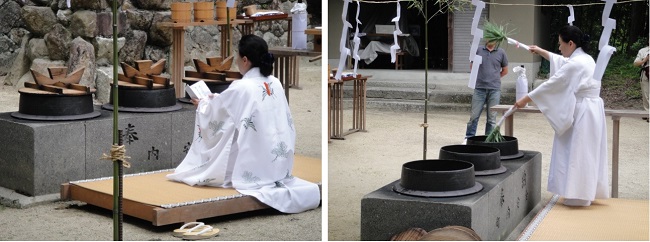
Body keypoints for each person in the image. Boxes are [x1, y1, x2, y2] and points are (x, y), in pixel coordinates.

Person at [167, 35, 321, 213]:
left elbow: (218, 111)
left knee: (233, 131)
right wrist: (213, 101)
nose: (238, 62)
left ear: (245, 60)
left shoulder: (242, 87)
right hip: (280, 159)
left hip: (256, 163)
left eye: (238, 58)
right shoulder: (275, 82)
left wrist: (203, 104)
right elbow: (229, 104)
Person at [513, 25, 609, 206]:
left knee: (577, 152)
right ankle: (585, 192)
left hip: (583, 111)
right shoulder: (585, 58)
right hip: (592, 110)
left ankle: (577, 195)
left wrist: (527, 98)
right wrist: (541, 51)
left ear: (570, 43)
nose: (559, 47)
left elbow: (554, 83)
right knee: (587, 152)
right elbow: (563, 62)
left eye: (560, 44)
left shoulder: (576, 63)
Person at [464, 40, 509, 143]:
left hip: (494, 89)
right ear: (486, 38)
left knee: (492, 118)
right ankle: (469, 138)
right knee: (474, 116)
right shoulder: (478, 50)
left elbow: (505, 70)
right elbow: (472, 67)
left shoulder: (501, 52)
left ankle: (488, 140)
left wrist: (495, 78)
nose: (491, 40)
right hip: (479, 88)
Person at [633, 43, 649, 117]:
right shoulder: (643, 51)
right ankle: (647, 113)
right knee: (646, 93)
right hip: (646, 72)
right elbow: (635, 63)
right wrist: (645, 60)